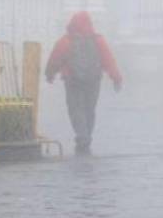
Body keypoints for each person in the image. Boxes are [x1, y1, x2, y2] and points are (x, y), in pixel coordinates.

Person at [45, 12, 122, 155]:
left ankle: (82, 136)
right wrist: (116, 78)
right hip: (93, 80)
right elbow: (109, 60)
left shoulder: (66, 41)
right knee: (89, 109)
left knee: (76, 109)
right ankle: (87, 136)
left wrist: (50, 74)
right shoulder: (98, 41)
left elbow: (55, 59)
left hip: (72, 81)